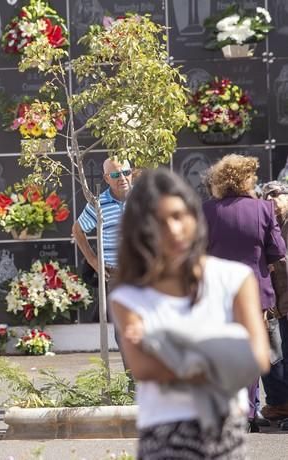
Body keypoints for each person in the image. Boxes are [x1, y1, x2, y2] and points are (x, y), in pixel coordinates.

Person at [109, 169, 270, 458]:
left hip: (224, 431)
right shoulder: (128, 295)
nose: (172, 229)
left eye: (178, 215)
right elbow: (145, 368)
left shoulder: (235, 279)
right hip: (162, 433)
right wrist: (224, 346)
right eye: (159, 221)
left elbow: (257, 356)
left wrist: (170, 347)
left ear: (195, 216)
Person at [203, 154, 286, 428]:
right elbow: (278, 251)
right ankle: (247, 414)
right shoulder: (263, 209)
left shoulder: (207, 211)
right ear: (245, 179)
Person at [72, 158, 133, 380]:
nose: (123, 178)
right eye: (116, 175)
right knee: (123, 331)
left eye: (125, 172)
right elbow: (78, 229)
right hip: (115, 274)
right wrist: (92, 260)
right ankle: (133, 382)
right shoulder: (99, 204)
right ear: (107, 178)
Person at [259, 181, 288, 424]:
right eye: (266, 198)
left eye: (277, 195)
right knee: (271, 357)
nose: (272, 202)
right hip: (273, 304)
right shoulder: (268, 224)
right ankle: (279, 405)